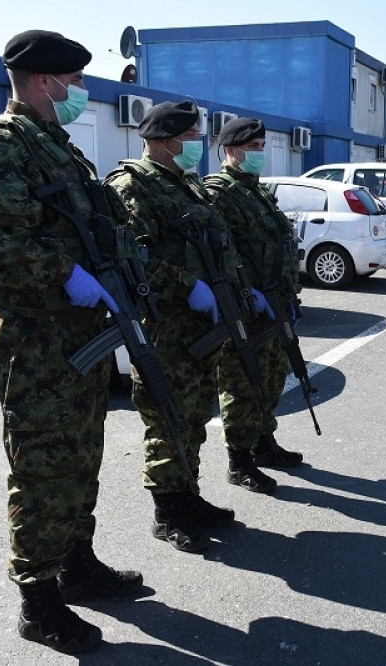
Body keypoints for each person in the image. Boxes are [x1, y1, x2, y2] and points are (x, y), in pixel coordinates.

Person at [0, 30, 141, 655]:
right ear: (43, 82)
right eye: (74, 83)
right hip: (36, 346)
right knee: (41, 468)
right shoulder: (1, 145)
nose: (80, 93)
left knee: (81, 456)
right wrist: (66, 274)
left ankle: (77, 564)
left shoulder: (57, 147)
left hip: (78, 338)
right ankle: (38, 601)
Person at [105, 100, 241, 553]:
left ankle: (189, 495)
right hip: (165, 327)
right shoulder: (132, 185)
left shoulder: (186, 185)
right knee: (166, 419)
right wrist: (188, 287)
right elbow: (136, 258)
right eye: (190, 138)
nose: (197, 145)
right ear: (163, 140)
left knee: (195, 415)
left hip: (199, 327)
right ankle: (167, 512)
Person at [203, 117, 303, 495]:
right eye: (254, 147)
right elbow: (222, 254)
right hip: (246, 305)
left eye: (262, 146)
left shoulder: (256, 191)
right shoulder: (218, 192)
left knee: (273, 376)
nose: (261, 153)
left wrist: (289, 294)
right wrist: (248, 292)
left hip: (275, 300)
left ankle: (264, 442)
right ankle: (239, 459)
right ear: (231, 150)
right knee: (242, 381)